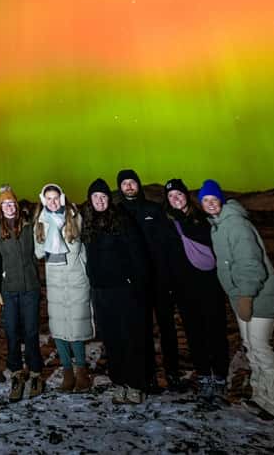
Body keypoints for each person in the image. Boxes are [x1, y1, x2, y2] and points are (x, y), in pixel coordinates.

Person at [199, 179, 274, 422]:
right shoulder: (218, 226)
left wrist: (247, 297)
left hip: (259, 297)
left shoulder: (236, 224)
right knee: (251, 348)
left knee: (261, 349)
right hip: (242, 297)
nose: (209, 204)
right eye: (205, 201)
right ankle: (262, 399)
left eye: (213, 199)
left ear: (221, 199)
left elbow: (251, 265)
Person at [82, 178, 150, 405]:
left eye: (103, 196)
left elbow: (137, 253)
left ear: (108, 199)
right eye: (95, 197)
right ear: (90, 201)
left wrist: (136, 283)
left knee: (130, 337)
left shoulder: (121, 220)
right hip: (101, 292)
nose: (99, 201)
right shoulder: (89, 224)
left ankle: (135, 384)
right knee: (112, 340)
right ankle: (119, 381)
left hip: (124, 290)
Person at [162, 179, 229, 403]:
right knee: (194, 334)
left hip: (210, 286)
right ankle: (203, 376)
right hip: (184, 290)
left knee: (216, 332)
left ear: (186, 195)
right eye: (171, 196)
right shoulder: (168, 223)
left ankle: (220, 377)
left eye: (178, 194)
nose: (176, 199)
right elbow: (168, 259)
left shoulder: (203, 219)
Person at [116, 168, 181, 392]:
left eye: (132, 182)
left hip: (160, 280)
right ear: (120, 187)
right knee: (142, 331)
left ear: (138, 184)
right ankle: (149, 376)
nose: (129, 187)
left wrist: (171, 276)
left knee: (167, 329)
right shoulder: (118, 213)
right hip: (135, 283)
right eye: (124, 184)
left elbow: (169, 243)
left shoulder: (153, 209)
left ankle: (173, 374)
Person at [33, 183, 93, 393]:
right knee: (59, 328)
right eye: (48, 198)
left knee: (75, 328)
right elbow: (39, 251)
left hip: (75, 277)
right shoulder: (41, 222)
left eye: (56, 197)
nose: (52, 202)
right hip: (55, 279)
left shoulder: (74, 216)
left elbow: (83, 244)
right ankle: (67, 372)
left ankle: (82, 372)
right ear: (43, 200)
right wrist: (50, 236)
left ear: (62, 197)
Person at [0, 186, 44, 401]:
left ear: (17, 206)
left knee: (30, 332)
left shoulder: (29, 226)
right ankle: (16, 373)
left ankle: (36, 372)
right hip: (9, 290)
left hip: (30, 287)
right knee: (12, 333)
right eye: (5, 204)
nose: (9, 207)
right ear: (0, 208)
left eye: (12, 203)